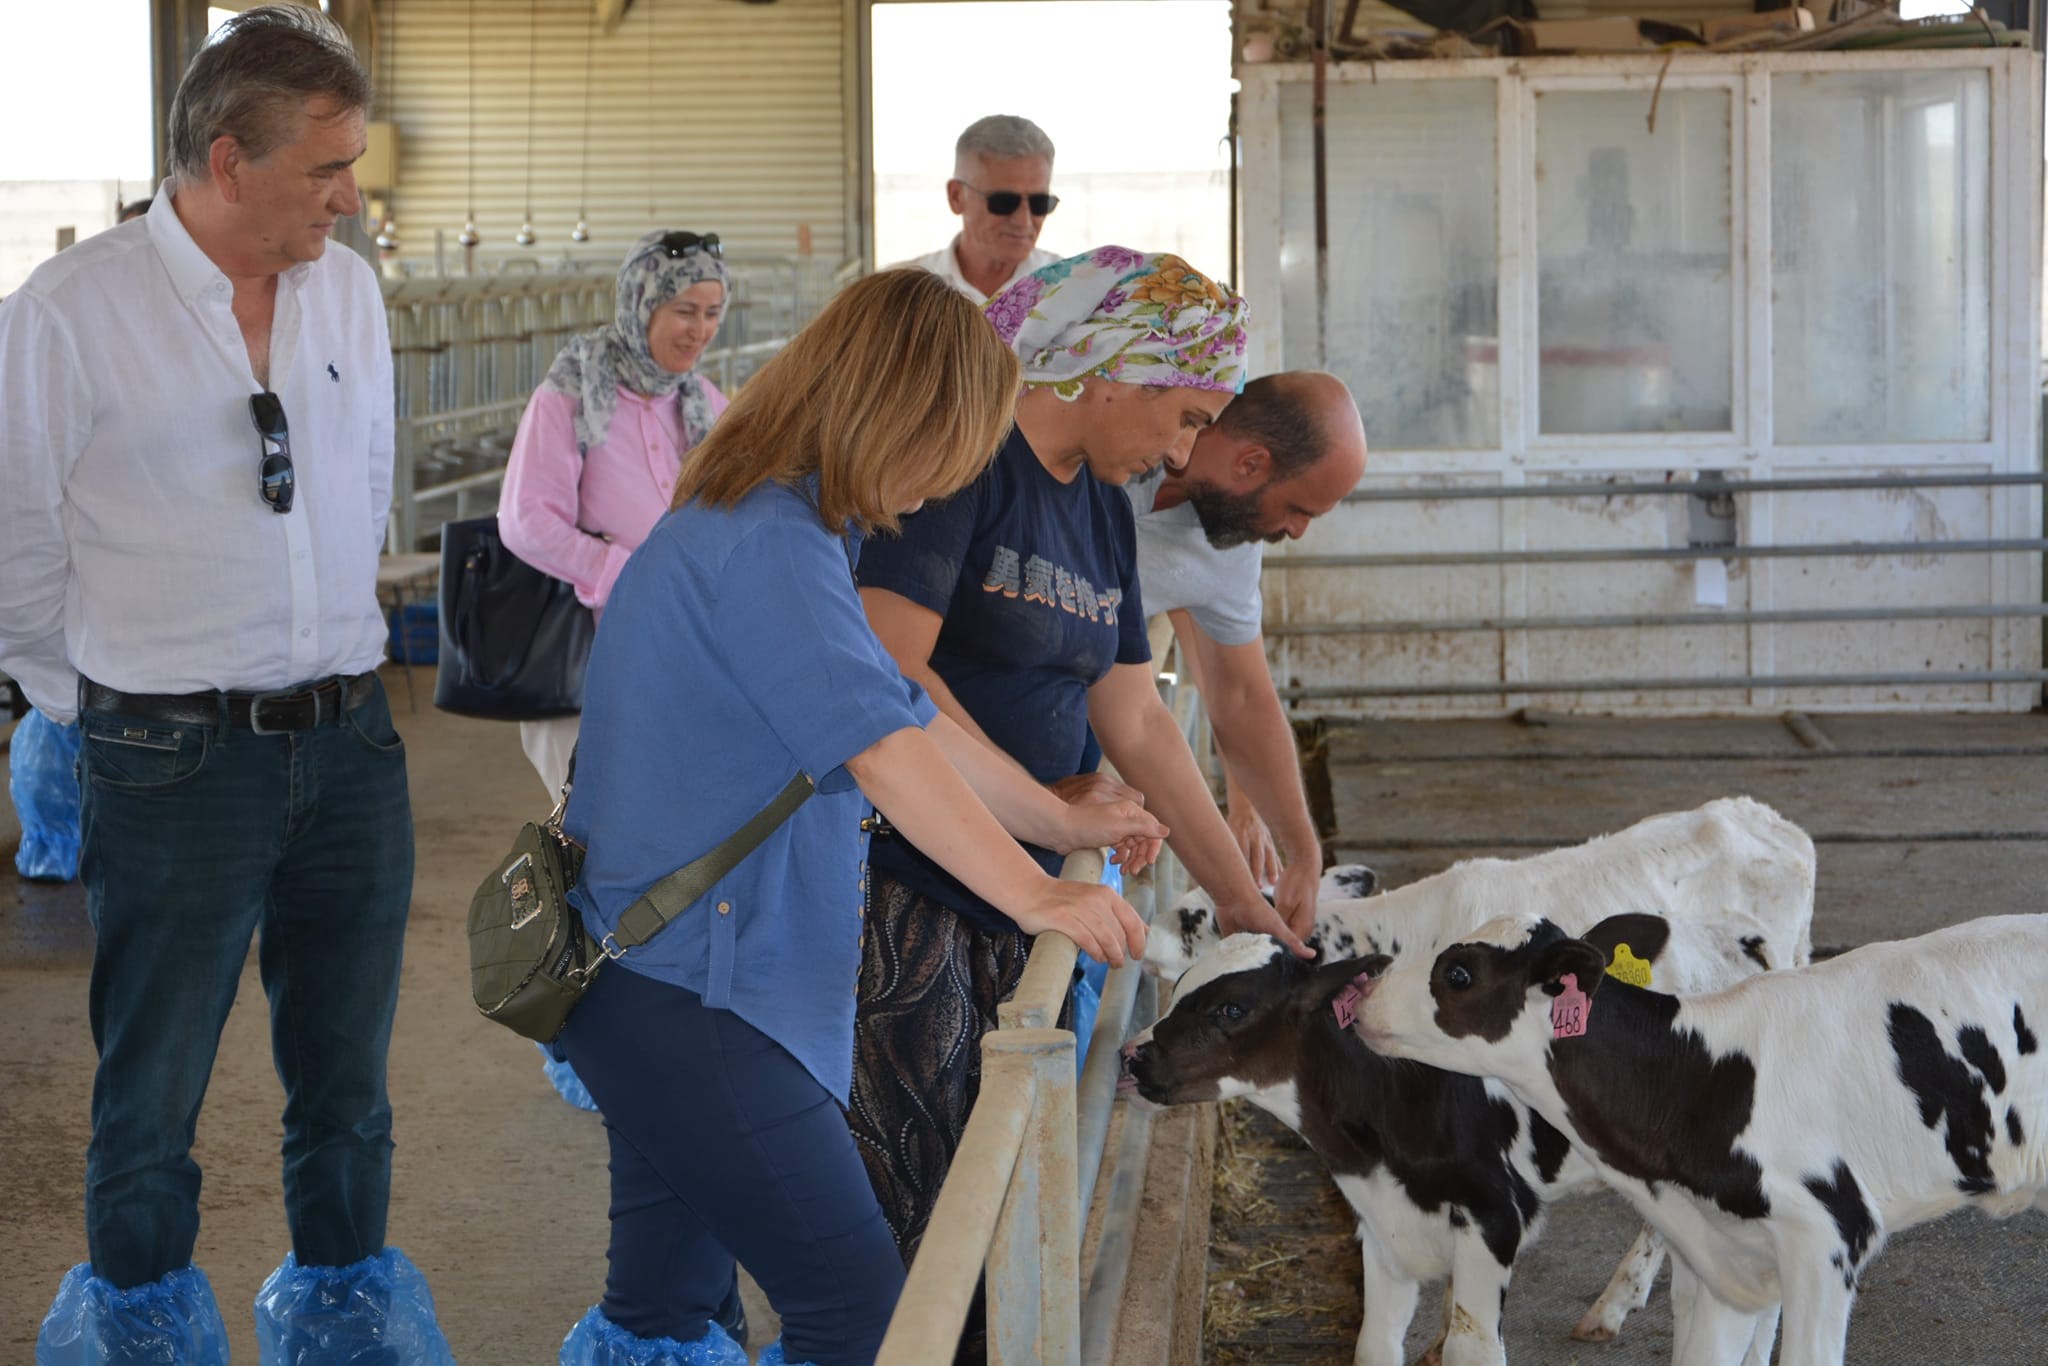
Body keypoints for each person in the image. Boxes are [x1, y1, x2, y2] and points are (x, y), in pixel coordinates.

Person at [551, 267, 1162, 1366]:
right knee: (866, 1310)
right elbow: (881, 751)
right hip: (699, 990)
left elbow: (902, 713)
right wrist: (1033, 889)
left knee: (665, 1309)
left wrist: (1054, 826)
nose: (936, 493)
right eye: (947, 451)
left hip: (660, 972)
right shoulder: (772, 544)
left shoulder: (770, 524)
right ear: (899, 412)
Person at [0, 7, 453, 1362]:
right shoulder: (69, 314)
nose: (347, 193)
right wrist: (91, 713)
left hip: (349, 739)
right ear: (221, 157)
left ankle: (346, 1319)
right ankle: (141, 1326)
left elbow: (362, 478)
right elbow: (17, 543)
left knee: (348, 1083)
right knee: (152, 1091)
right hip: (169, 754)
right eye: (324, 167)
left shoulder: (348, 292)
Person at [851, 247, 1314, 1267]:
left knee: (1013, 1178)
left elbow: (1135, 717)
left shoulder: (1101, 499)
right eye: (1186, 415)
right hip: (905, 880)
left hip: (1031, 882)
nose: (1188, 451)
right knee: (925, 1201)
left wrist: (1240, 902)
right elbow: (887, 673)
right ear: (1112, 366)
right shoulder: (960, 457)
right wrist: (1040, 811)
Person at [1128, 371, 1368, 936]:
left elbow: (1239, 694)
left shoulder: (1229, 544)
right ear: (1251, 464)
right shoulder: (1114, 450)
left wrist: (1304, 852)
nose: (1299, 530)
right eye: (1299, 508)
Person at [499, 227, 732, 798]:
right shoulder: (573, 389)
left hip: (683, 648)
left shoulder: (704, 400)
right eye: (684, 310)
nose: (700, 330)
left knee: (670, 822)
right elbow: (527, 520)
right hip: (589, 660)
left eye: (713, 312)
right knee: (590, 829)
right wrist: (623, 572)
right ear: (641, 304)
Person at [898, 114, 1061, 305]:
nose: (1023, 221)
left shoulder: (1074, 290)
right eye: (1003, 202)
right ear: (956, 196)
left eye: (1039, 202)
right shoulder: (903, 295)